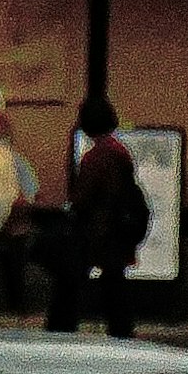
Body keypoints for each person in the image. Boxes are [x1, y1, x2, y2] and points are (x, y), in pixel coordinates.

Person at [50, 96, 145, 338]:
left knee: (70, 282)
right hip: (116, 227)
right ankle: (121, 331)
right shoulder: (119, 150)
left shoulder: (96, 156)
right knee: (115, 284)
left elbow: (82, 196)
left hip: (99, 229)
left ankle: (61, 329)